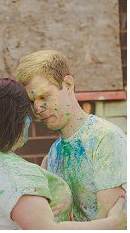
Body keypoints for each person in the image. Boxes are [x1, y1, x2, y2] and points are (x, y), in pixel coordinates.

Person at [0, 78, 125, 229]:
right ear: (11, 119)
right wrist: (111, 223)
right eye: (26, 112)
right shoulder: (14, 173)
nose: (33, 116)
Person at [16, 49, 127, 220]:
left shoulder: (105, 138)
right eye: (32, 101)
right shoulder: (52, 155)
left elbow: (110, 222)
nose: (37, 108)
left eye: (44, 96)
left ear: (67, 85)